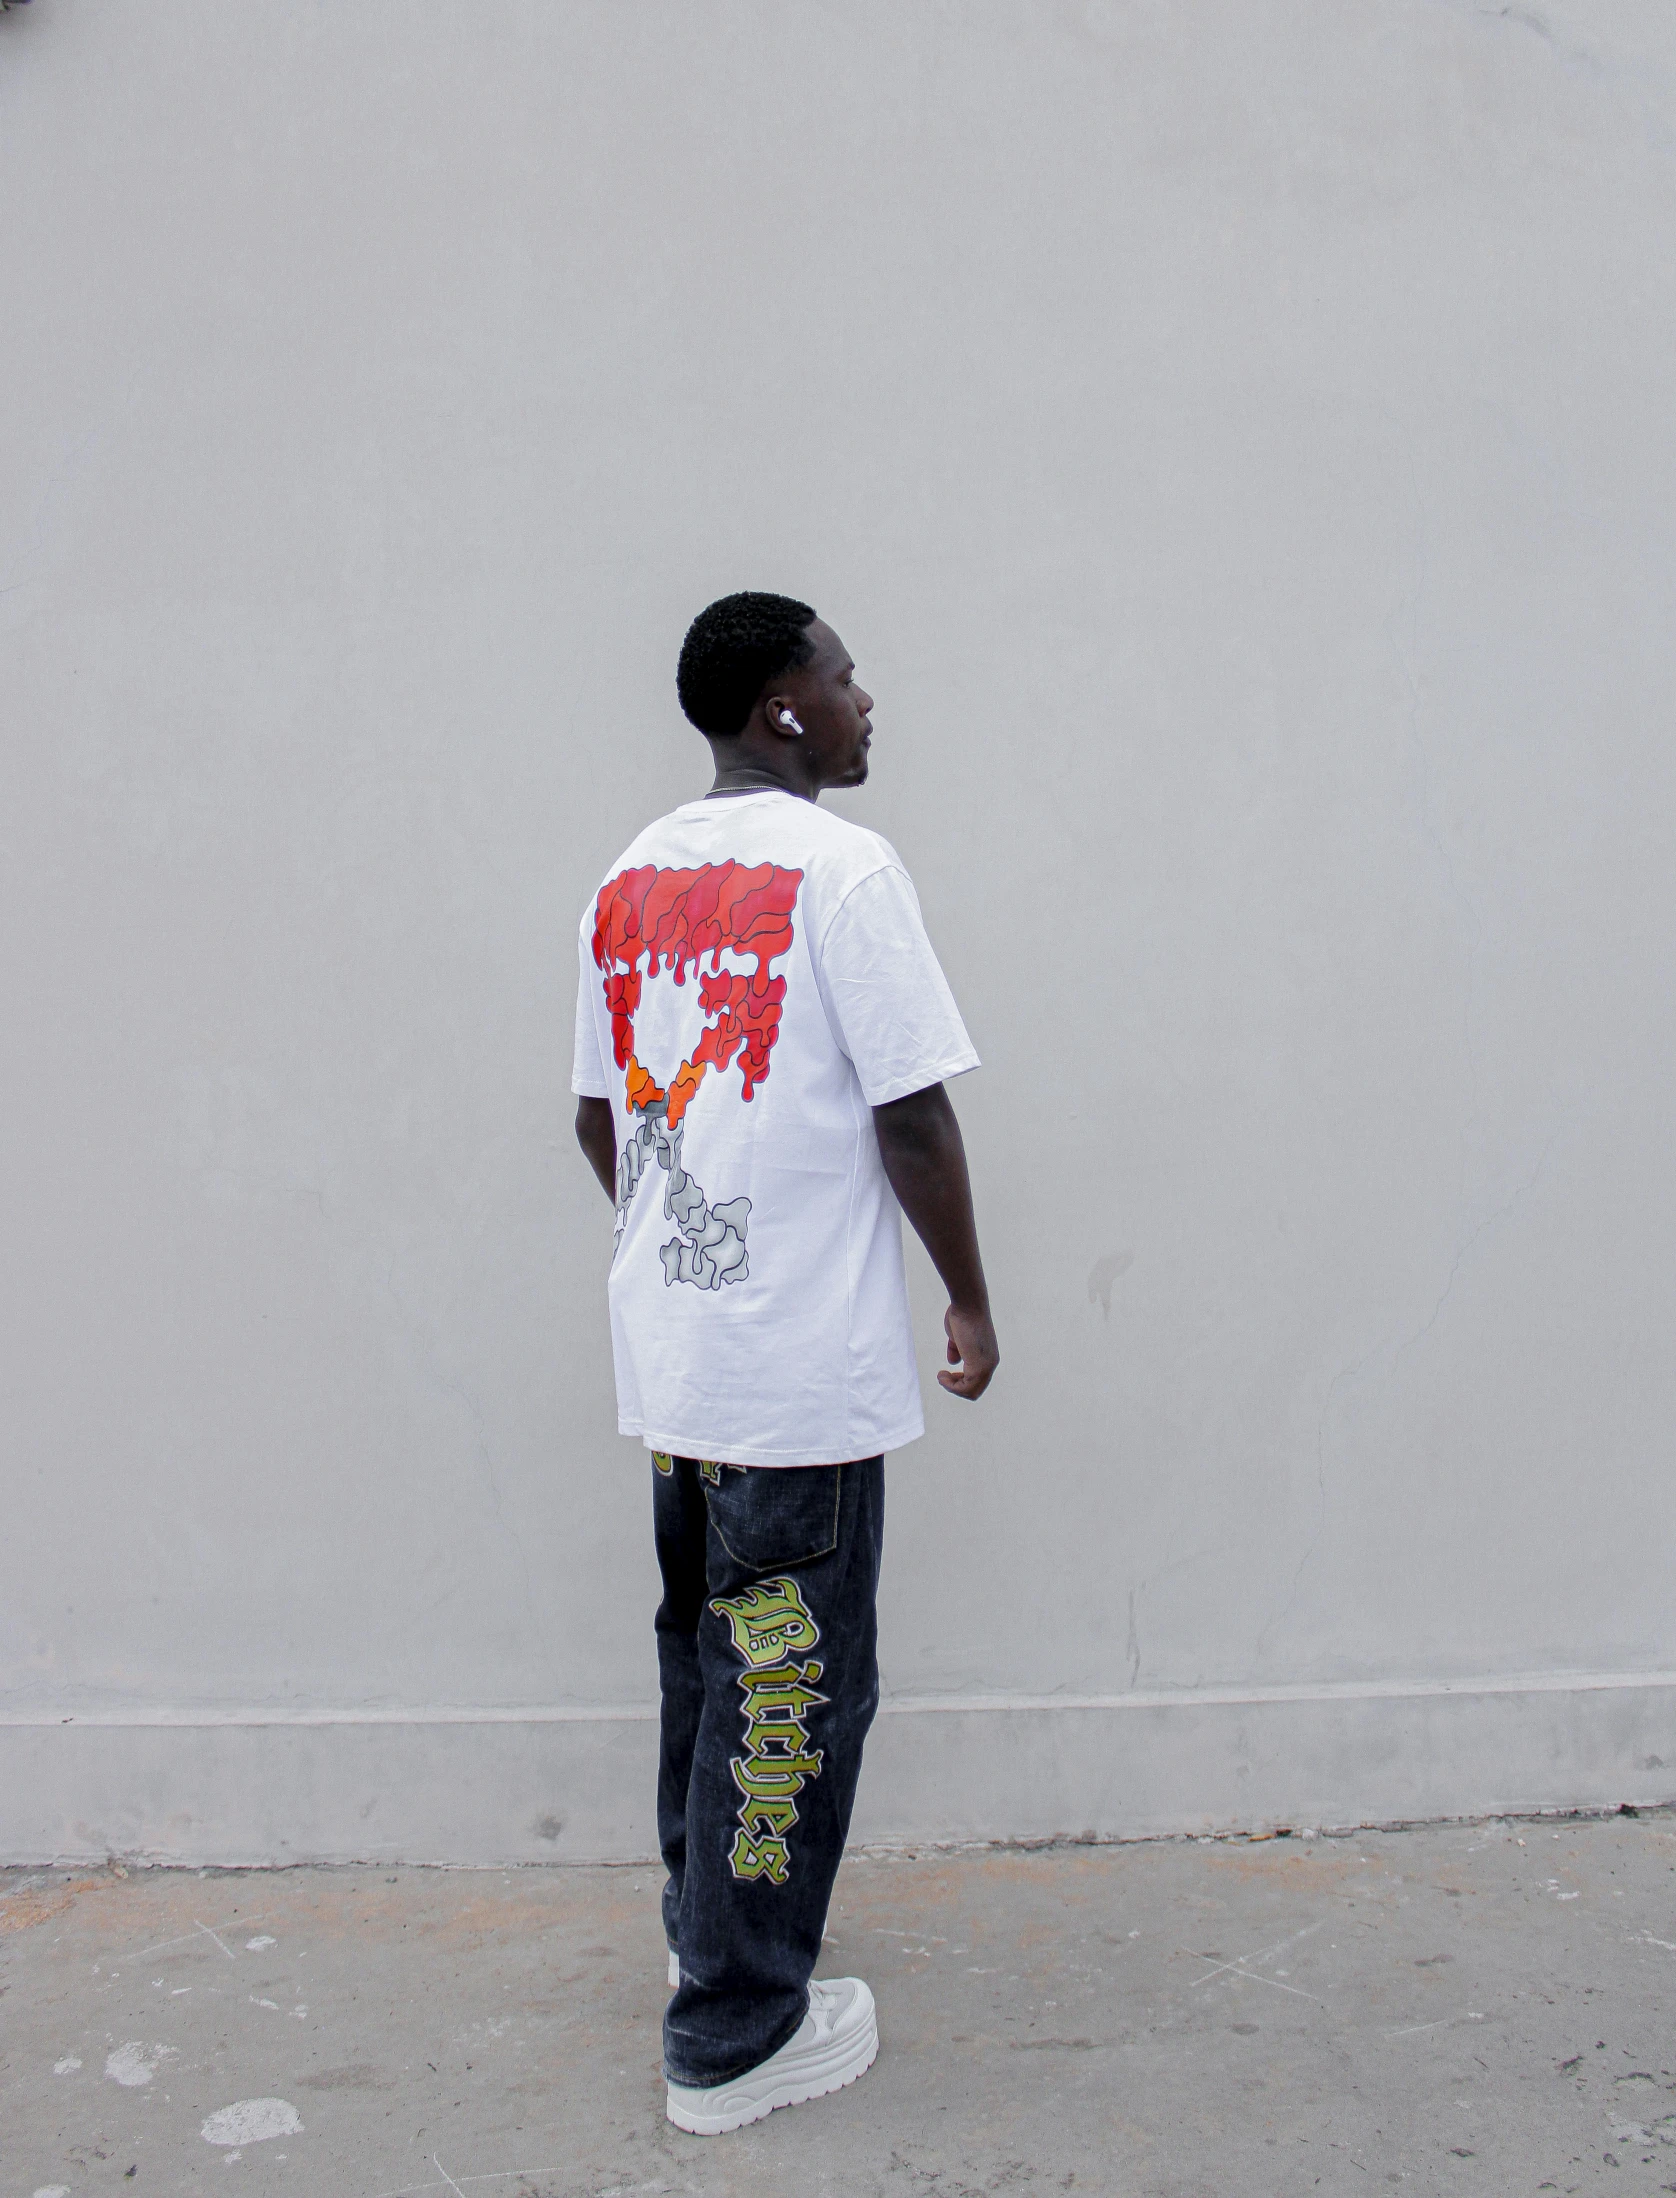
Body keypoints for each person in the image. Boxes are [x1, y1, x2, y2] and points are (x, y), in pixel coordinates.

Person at [571, 591, 998, 2135]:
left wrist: (697, 1261)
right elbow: (912, 1114)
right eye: (843, 670)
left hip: (681, 1364)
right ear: (784, 710)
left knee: (712, 1660)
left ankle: (712, 1936)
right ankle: (737, 2031)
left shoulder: (625, 878)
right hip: (799, 1378)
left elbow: (597, 1119)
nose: (867, 694)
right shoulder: (846, 870)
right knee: (791, 1689)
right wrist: (969, 1299)